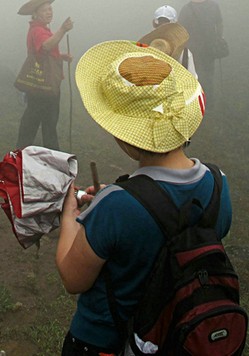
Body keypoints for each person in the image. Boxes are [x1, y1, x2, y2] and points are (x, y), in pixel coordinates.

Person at [55, 40, 232, 355]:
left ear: (126, 140)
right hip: (179, 334)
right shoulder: (218, 185)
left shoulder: (116, 205)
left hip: (104, 342)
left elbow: (73, 278)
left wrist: (70, 216)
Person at [16, 0, 74, 151]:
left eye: (50, 9)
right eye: (44, 10)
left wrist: (61, 56)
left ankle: (21, 152)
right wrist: (63, 29)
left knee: (33, 119)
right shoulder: (39, 31)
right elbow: (46, 47)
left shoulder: (39, 29)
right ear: (35, 14)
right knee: (47, 122)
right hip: (45, 84)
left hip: (38, 82)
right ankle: (50, 155)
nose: (49, 12)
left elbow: (43, 53)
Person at [177, 0, 223, 104]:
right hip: (209, 47)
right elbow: (219, 26)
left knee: (193, 76)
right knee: (208, 75)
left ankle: (196, 104)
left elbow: (179, 30)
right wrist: (217, 39)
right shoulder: (214, 6)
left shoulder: (186, 9)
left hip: (192, 49)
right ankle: (209, 104)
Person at [147, 6, 197, 78]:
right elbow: (193, 81)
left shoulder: (144, 50)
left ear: (154, 24)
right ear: (176, 24)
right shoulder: (185, 54)